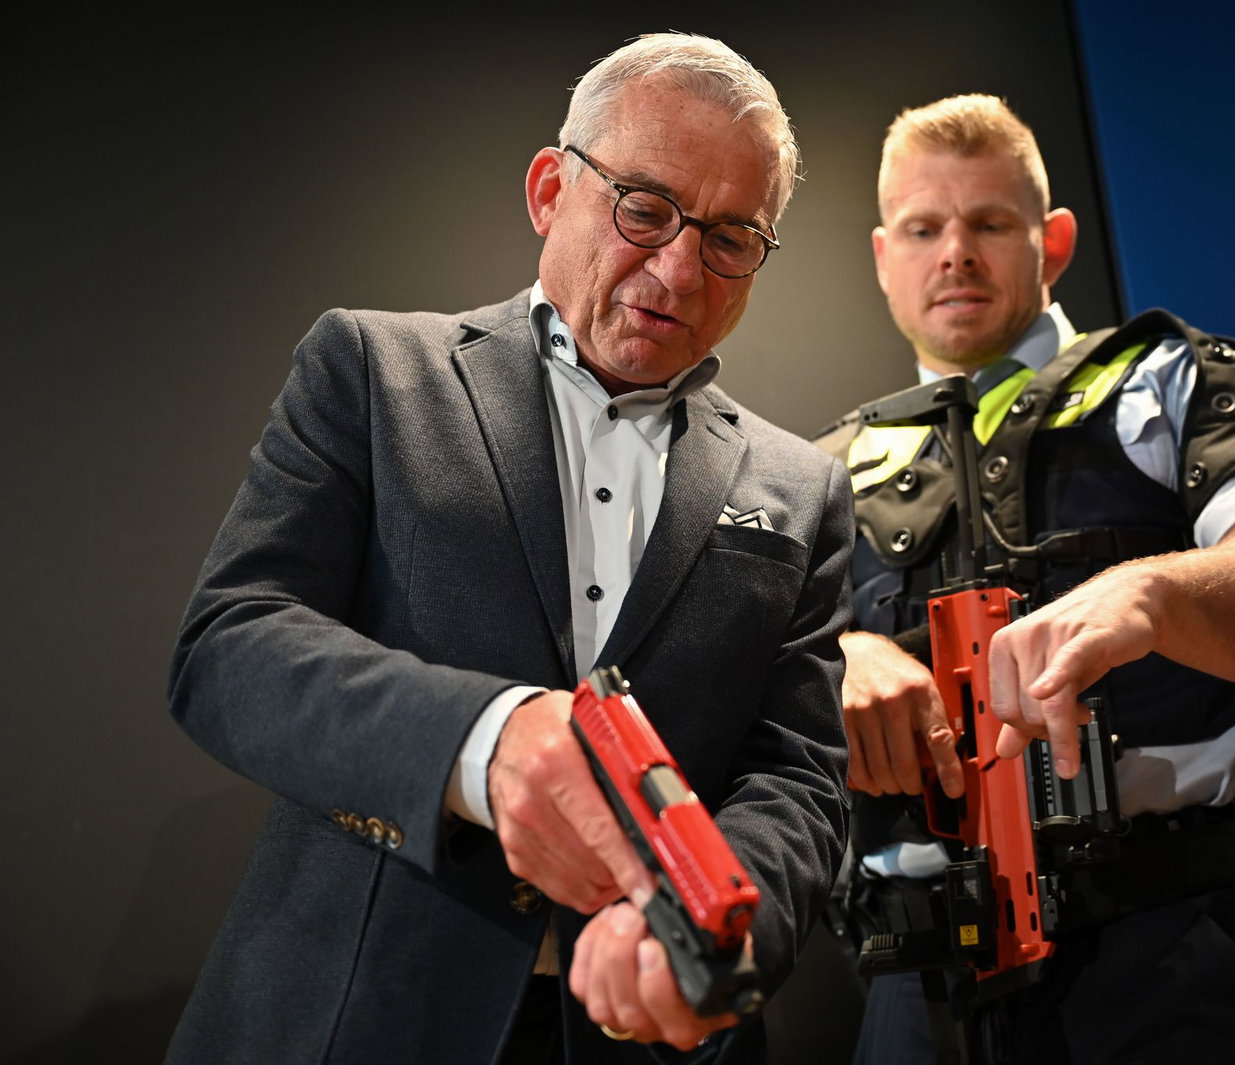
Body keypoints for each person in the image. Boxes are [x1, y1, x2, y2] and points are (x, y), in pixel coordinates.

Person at [164, 33, 852, 1065]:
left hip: (641, 1032)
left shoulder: (802, 488)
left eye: (730, 238)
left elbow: (796, 780)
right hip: (351, 1013)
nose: (678, 266)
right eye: (646, 208)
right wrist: (483, 743)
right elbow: (229, 644)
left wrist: (711, 929)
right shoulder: (371, 368)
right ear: (548, 190)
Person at [818, 94, 1235, 1064]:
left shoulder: (1169, 380)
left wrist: (1149, 594)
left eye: (989, 222)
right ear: (881, 255)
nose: (954, 252)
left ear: (1055, 240)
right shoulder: (811, 474)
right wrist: (837, 656)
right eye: (923, 228)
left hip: (1163, 951)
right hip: (911, 987)